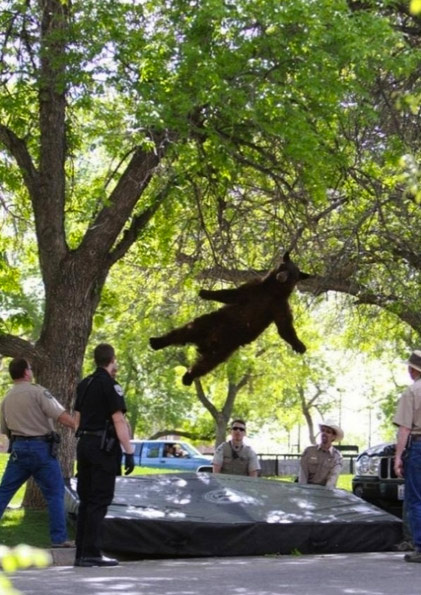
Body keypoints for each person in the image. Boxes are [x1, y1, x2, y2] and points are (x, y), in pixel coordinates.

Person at [0, 357, 75, 548]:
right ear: (26, 372)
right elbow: (60, 415)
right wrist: (78, 427)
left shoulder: (6, 399)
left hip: (18, 450)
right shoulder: (38, 392)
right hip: (41, 449)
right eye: (30, 368)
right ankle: (59, 539)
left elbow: (3, 430)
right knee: (55, 494)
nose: (31, 371)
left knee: (4, 493)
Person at [73, 343, 135, 568]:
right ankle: (92, 553)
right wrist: (129, 451)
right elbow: (118, 419)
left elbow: (77, 421)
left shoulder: (84, 384)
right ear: (112, 359)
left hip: (85, 445)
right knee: (100, 500)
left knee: (86, 500)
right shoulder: (110, 386)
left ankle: (81, 553)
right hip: (103, 447)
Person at [393, 349, 421, 563]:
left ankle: (420, 547)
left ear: (413, 370)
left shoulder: (412, 392)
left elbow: (404, 428)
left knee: (416, 498)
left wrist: (398, 457)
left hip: (418, 447)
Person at [298, 421, 344, 488]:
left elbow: (332, 481)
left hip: (324, 493)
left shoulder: (337, 457)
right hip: (307, 491)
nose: (324, 433)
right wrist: (303, 491)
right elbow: (303, 476)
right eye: (323, 430)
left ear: (333, 437)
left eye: (328, 432)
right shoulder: (309, 451)